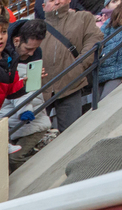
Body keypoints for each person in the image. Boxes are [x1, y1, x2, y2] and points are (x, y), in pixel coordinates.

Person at [40, 0, 103, 132]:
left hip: (71, 84)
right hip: (41, 87)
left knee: (71, 132)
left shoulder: (83, 17)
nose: (57, 2)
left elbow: (94, 40)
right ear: (43, 6)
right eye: (51, 0)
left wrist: (79, 66)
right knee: (34, 133)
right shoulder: (37, 27)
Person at [1, 20, 54, 168]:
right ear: (16, 40)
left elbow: (28, 92)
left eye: (35, 49)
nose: (31, 53)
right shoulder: (1, 54)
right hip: (10, 120)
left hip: (33, 119)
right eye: (28, 48)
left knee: (14, 159)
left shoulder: (36, 53)